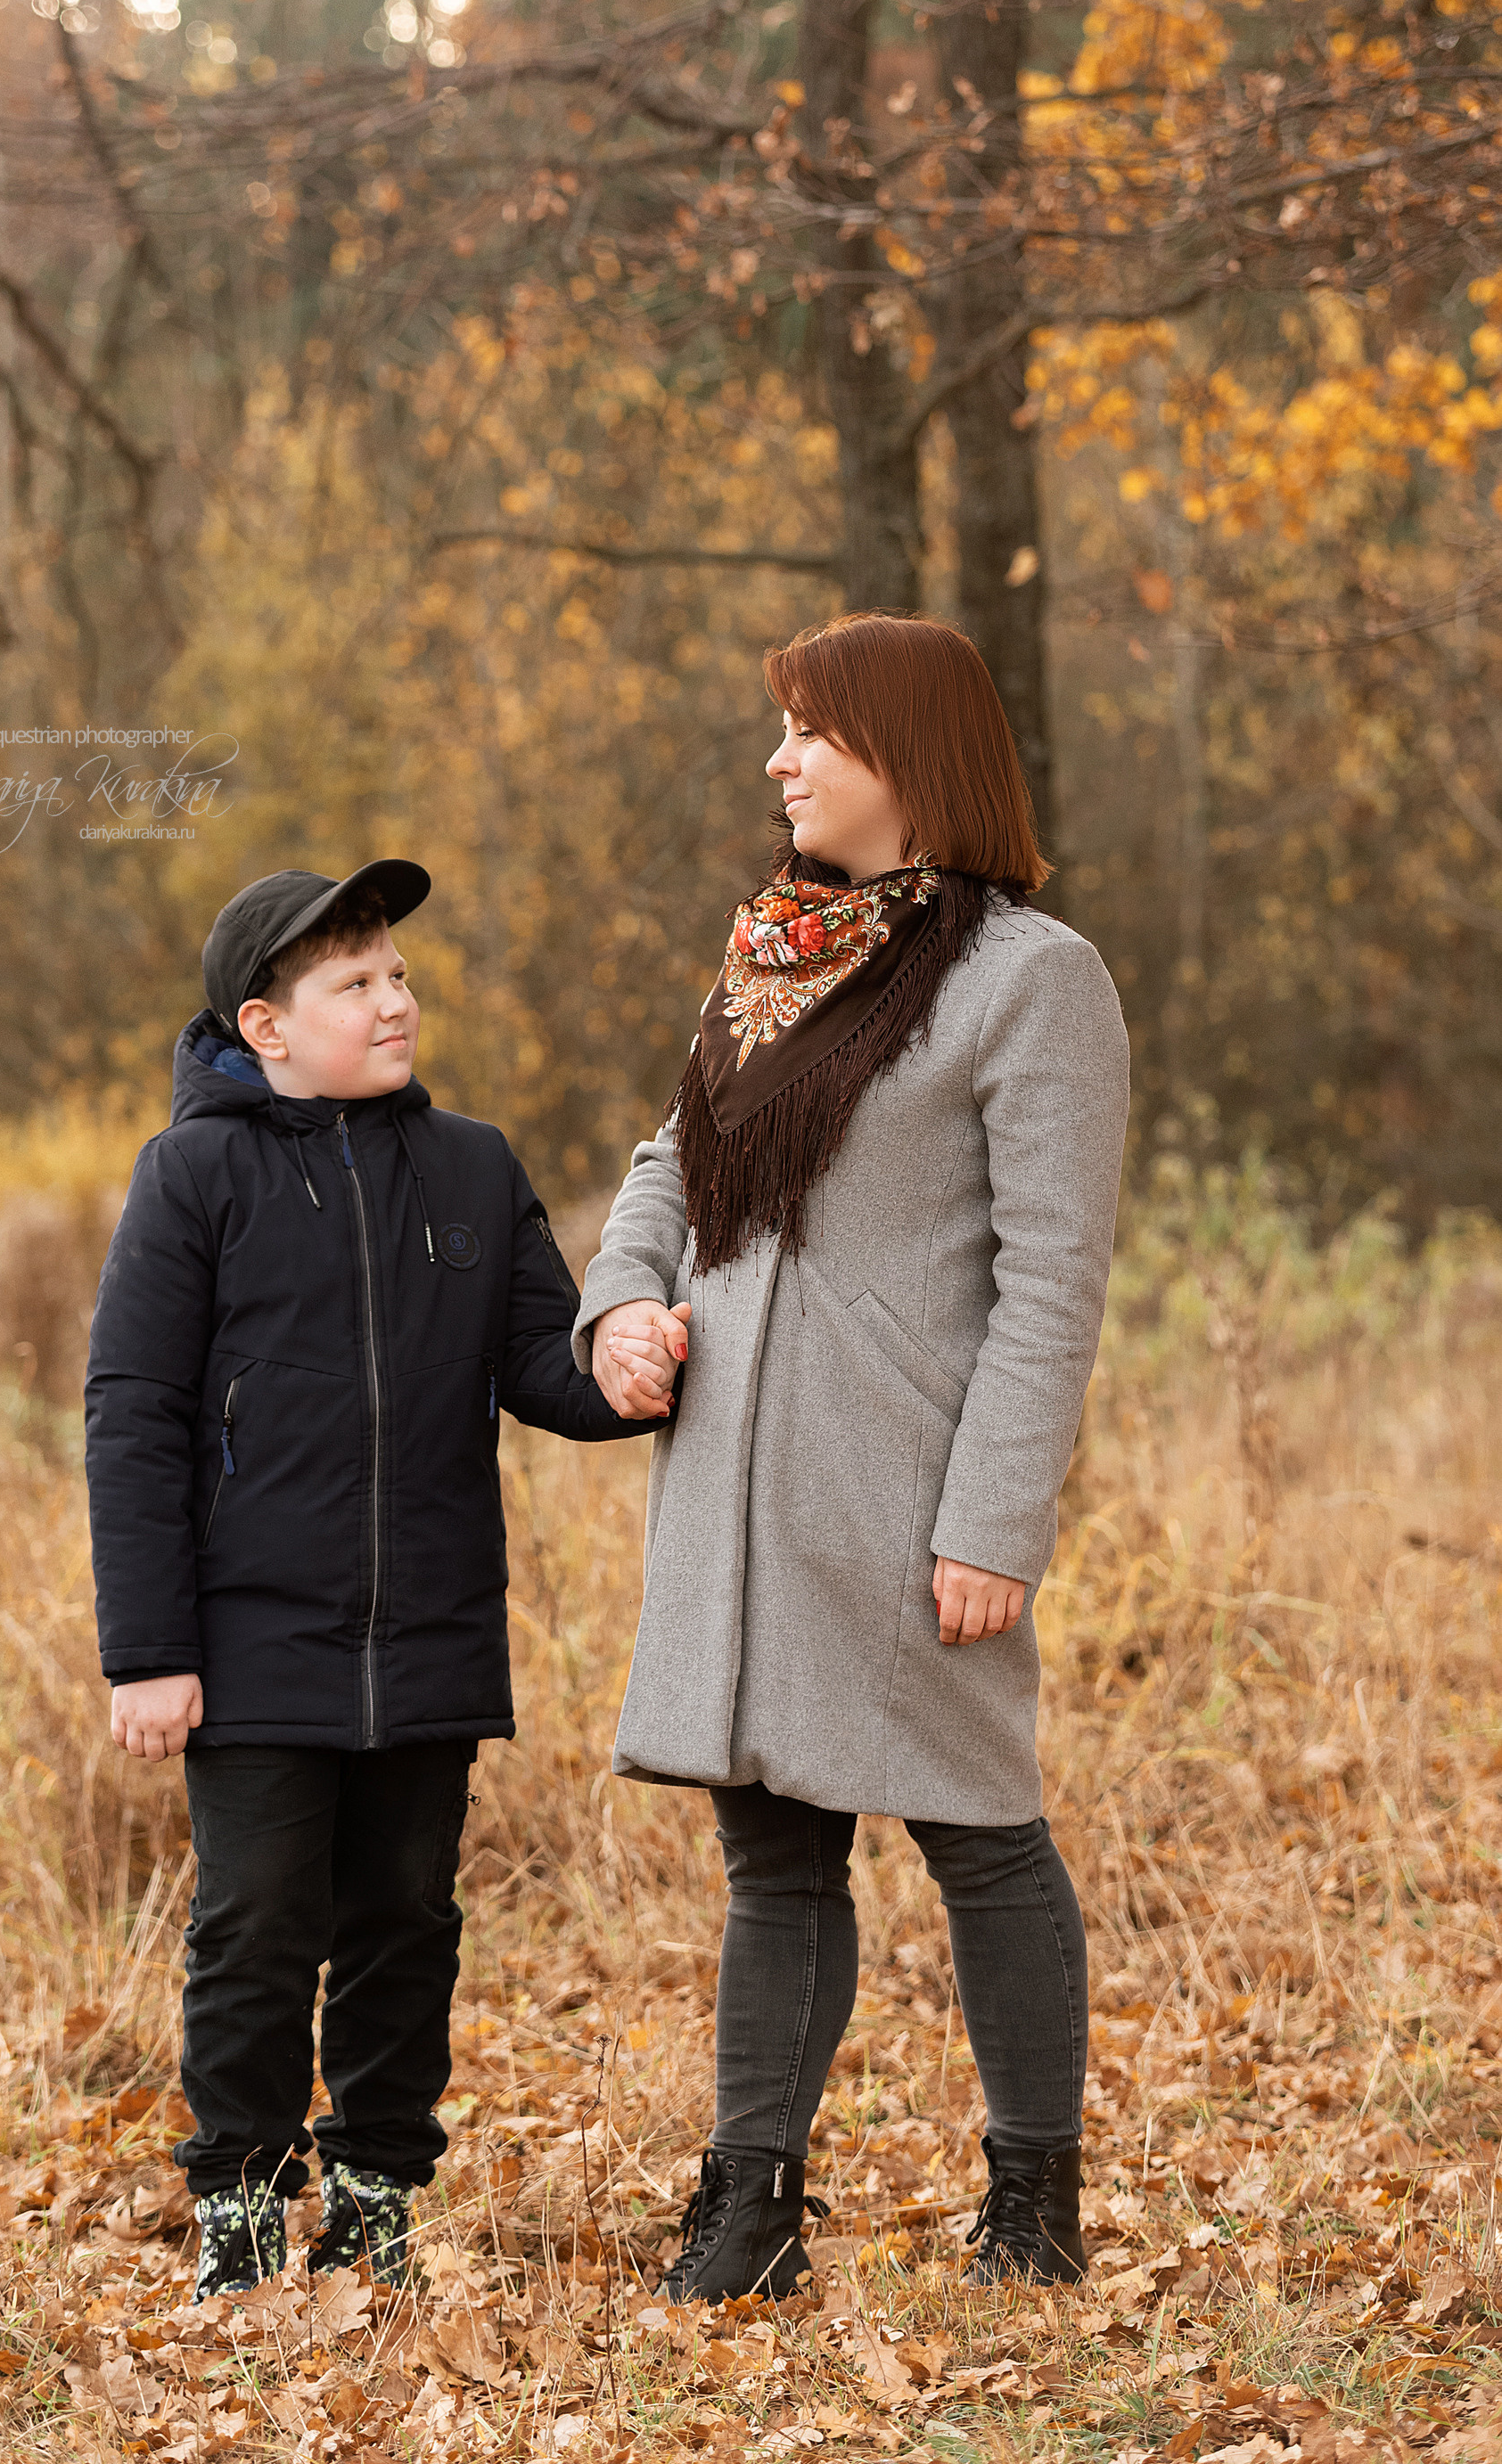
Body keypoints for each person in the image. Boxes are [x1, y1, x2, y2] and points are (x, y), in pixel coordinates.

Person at [576, 614, 1130, 2299]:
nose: (781, 760)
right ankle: (751, 2214)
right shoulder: (775, 950)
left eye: (813, 729)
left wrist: (996, 1520)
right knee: (773, 1853)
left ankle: (1033, 2210)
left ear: (910, 753)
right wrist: (621, 1304)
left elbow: (1054, 1282)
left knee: (979, 1832)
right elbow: (673, 1164)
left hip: (902, 1492)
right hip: (733, 1487)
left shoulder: (1033, 979)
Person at [85, 862, 656, 2304]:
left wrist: (632, 1364)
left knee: (407, 1924)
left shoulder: (470, 1167)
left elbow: (544, 1366)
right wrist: (147, 1650)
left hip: (431, 1631)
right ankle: (240, 2210)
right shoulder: (193, 1177)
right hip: (250, 1639)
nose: (396, 1001)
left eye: (397, 974)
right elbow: (133, 1414)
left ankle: (377, 2197)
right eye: (356, 984)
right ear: (266, 1026)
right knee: (257, 1926)